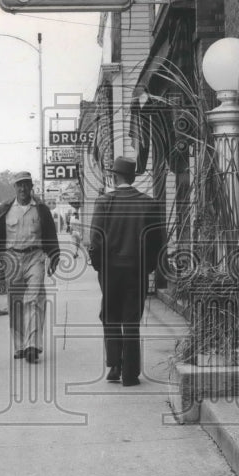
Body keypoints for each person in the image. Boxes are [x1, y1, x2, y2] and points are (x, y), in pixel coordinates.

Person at [88, 157, 165, 386]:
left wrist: (99, 265)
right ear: (132, 178)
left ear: (113, 176)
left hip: (110, 271)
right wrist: (148, 266)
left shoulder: (104, 202)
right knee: (131, 319)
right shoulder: (148, 203)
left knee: (110, 317)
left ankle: (115, 365)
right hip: (136, 270)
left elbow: (95, 240)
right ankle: (130, 374)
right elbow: (157, 242)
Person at [0, 172, 60, 363]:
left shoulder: (41, 209)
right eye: (19, 185)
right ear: (14, 188)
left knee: (33, 300)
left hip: (35, 257)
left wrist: (54, 256)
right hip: (12, 259)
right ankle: (19, 346)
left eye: (26, 184)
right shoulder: (4, 209)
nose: (23, 189)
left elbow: (50, 235)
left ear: (32, 186)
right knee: (16, 303)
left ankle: (32, 346)